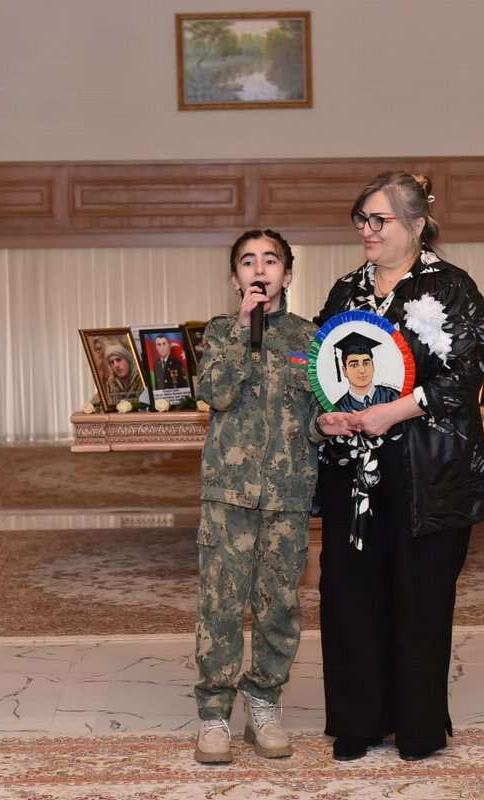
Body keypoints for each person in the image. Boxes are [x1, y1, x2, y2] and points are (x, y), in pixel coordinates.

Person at [315, 172, 484, 762]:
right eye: (361, 220)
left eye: (379, 220)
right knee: (350, 591)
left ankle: (417, 726)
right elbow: (322, 368)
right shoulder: (346, 290)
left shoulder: (453, 288)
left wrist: (392, 412)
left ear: (416, 224)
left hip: (427, 471)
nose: (367, 231)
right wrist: (326, 415)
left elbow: (464, 380)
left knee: (420, 597)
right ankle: (357, 721)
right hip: (354, 474)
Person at [194, 229, 353, 765]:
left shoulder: (311, 338)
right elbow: (215, 393)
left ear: (287, 272)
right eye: (248, 262)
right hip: (228, 494)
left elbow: (315, 416)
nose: (259, 270)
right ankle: (214, 714)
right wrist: (243, 330)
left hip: (288, 495)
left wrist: (325, 425)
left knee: (279, 605)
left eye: (270, 260)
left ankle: (263, 702)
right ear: (234, 277)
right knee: (220, 604)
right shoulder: (219, 332)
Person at [331, 330, 401, 411]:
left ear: (373, 366)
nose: (362, 370)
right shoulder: (338, 408)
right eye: (354, 365)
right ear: (344, 371)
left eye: (366, 363)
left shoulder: (393, 396)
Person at [102, 340, 143, 404]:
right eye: (112, 362)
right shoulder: (110, 384)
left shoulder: (141, 380)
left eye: (118, 360)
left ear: (128, 361)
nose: (116, 365)